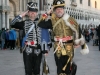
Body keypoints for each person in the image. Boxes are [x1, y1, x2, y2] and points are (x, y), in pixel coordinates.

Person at [38, 0, 89, 75]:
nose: (59, 11)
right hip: (57, 47)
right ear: (54, 10)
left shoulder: (69, 19)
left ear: (63, 9)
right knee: (59, 68)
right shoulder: (52, 21)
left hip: (69, 47)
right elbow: (40, 24)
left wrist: (80, 44)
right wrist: (47, 13)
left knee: (68, 68)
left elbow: (77, 29)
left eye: (61, 9)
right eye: (57, 9)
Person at [10, 2, 44, 75]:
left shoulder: (41, 23)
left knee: (37, 70)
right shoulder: (24, 23)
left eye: (34, 12)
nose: (33, 13)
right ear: (28, 13)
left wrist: (45, 49)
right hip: (27, 49)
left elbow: (45, 36)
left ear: (37, 13)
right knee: (28, 70)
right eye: (31, 11)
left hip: (38, 49)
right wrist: (21, 15)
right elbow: (12, 23)